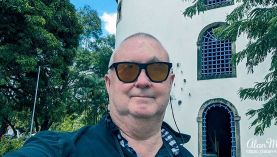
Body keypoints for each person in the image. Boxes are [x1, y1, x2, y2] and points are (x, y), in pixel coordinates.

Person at [5, 32, 193, 157]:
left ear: (170, 82)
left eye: (157, 70)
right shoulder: (61, 148)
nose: (143, 81)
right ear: (108, 84)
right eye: (127, 70)